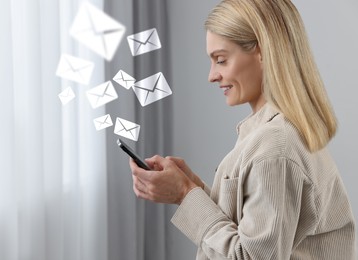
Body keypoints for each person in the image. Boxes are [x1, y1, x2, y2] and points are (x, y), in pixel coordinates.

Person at [129, 0, 357, 259]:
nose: (212, 75)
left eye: (221, 60)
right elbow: (251, 232)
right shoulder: (274, 135)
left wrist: (185, 194)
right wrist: (193, 188)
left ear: (262, 51)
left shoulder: (275, 148)